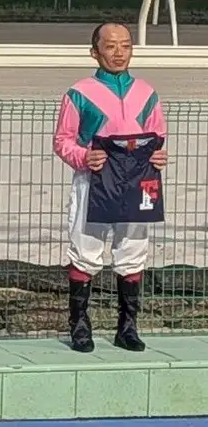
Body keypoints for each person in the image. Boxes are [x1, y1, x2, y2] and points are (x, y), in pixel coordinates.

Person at [53, 22, 168, 354]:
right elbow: (62, 140)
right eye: (111, 46)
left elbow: (158, 135)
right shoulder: (79, 93)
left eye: (126, 46)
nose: (119, 53)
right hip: (95, 180)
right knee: (85, 249)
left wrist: (159, 155)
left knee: (133, 251)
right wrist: (83, 157)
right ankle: (79, 326)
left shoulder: (147, 93)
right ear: (95, 52)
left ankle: (127, 328)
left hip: (138, 181)